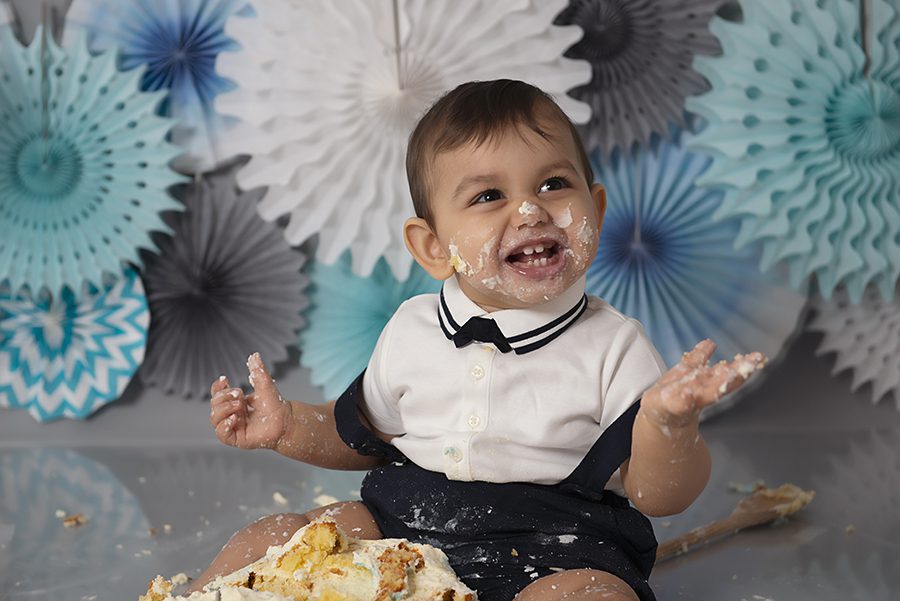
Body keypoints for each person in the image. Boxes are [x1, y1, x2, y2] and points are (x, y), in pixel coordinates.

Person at [193, 79, 765, 601]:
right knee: (275, 541)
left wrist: (669, 424)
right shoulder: (412, 331)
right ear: (434, 248)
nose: (529, 208)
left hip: (558, 547)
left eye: (553, 183)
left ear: (594, 209)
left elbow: (659, 495)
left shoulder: (614, 348)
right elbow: (361, 436)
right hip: (401, 525)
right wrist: (288, 426)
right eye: (488, 196)